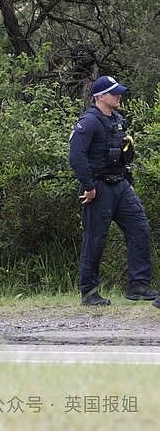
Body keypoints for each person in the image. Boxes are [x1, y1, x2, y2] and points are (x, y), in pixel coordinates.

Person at [69, 75, 158, 305]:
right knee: (95, 239)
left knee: (140, 229)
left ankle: (138, 285)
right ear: (100, 96)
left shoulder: (117, 119)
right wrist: (88, 187)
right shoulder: (88, 122)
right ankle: (89, 293)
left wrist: (127, 179)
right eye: (113, 92)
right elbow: (76, 156)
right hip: (97, 188)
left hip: (120, 185)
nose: (118, 96)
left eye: (118, 92)